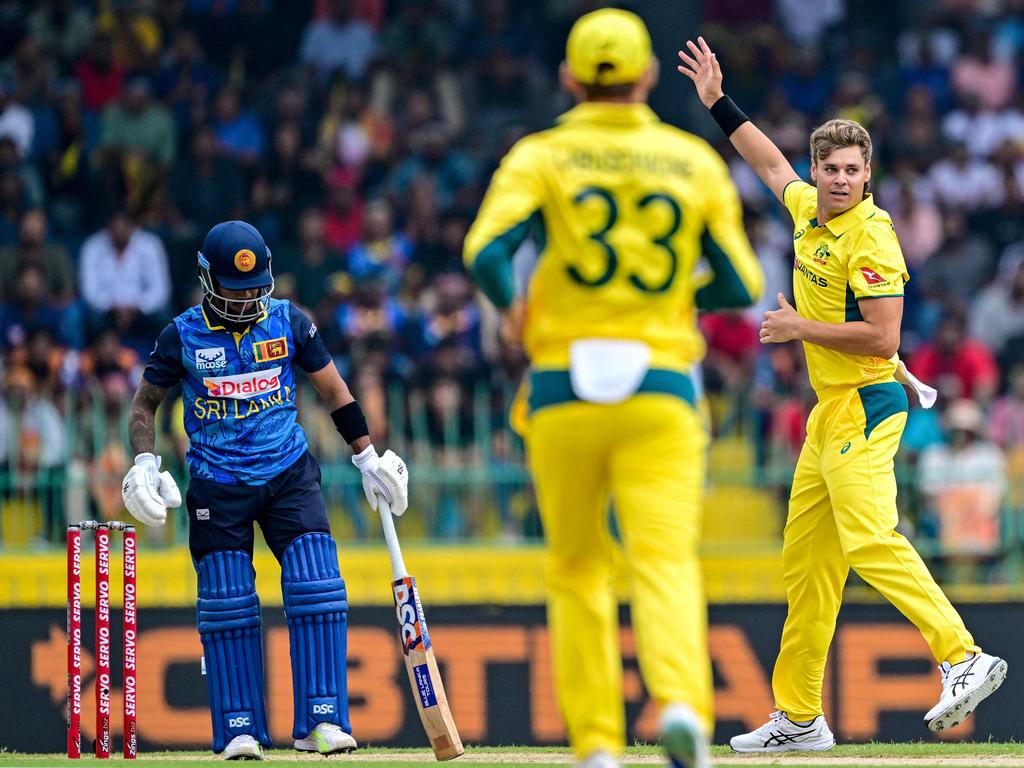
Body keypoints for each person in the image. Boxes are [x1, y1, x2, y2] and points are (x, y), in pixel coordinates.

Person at [677, 36, 1007, 752]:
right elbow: (766, 162)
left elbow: (886, 340)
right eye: (830, 168)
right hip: (828, 416)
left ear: (867, 176)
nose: (839, 180)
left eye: (852, 170)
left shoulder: (873, 236)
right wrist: (717, 103)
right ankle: (800, 718)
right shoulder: (806, 212)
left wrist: (800, 325)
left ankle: (963, 656)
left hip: (867, 402)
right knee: (808, 571)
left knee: (868, 537)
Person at [464, 11, 764, 768]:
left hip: (563, 383)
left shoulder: (543, 152)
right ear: (650, 78)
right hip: (660, 382)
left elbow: (485, 252)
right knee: (664, 560)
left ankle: (597, 745)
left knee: (576, 568)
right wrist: (670, 305)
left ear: (568, 79)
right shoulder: (689, 159)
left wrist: (517, 313)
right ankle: (685, 706)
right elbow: (740, 282)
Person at [121, 220, 409, 760]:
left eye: (257, 287)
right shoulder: (181, 334)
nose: (249, 298)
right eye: (236, 289)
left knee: (318, 588)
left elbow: (334, 390)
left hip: (288, 474)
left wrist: (366, 455)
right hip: (217, 481)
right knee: (228, 603)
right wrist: (143, 460)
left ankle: (321, 722)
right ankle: (239, 728)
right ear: (209, 281)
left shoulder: (288, 321)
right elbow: (145, 404)